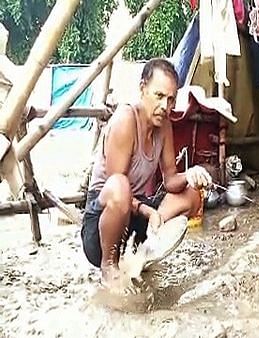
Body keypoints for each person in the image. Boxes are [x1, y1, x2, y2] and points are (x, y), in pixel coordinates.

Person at [81, 58, 212, 287]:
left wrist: (191, 173)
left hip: (136, 213)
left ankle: (145, 251)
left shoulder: (165, 124)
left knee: (192, 194)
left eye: (171, 99)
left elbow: (171, 179)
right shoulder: (125, 120)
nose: (165, 106)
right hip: (102, 226)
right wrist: (150, 212)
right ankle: (109, 266)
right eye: (159, 96)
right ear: (142, 89)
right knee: (120, 185)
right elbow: (116, 188)